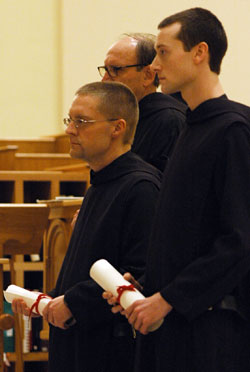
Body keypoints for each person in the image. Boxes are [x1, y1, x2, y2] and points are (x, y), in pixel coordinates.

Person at [104, 8, 250, 372]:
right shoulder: (189, 126)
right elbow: (186, 231)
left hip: (210, 331)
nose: (154, 65)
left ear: (199, 52)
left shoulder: (233, 130)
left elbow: (238, 241)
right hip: (174, 322)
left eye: (164, 52)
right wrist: (146, 283)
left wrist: (168, 298)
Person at [11, 81, 162, 372]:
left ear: (117, 127)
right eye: (70, 120)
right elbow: (89, 264)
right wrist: (48, 300)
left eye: (81, 121)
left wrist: (75, 303)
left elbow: (139, 274)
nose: (69, 129)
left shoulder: (141, 187)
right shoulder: (100, 182)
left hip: (110, 351)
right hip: (78, 345)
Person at [98, 33, 186, 172]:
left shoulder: (168, 121)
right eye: (105, 70)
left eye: (115, 70)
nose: (105, 80)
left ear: (148, 76)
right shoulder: (121, 119)